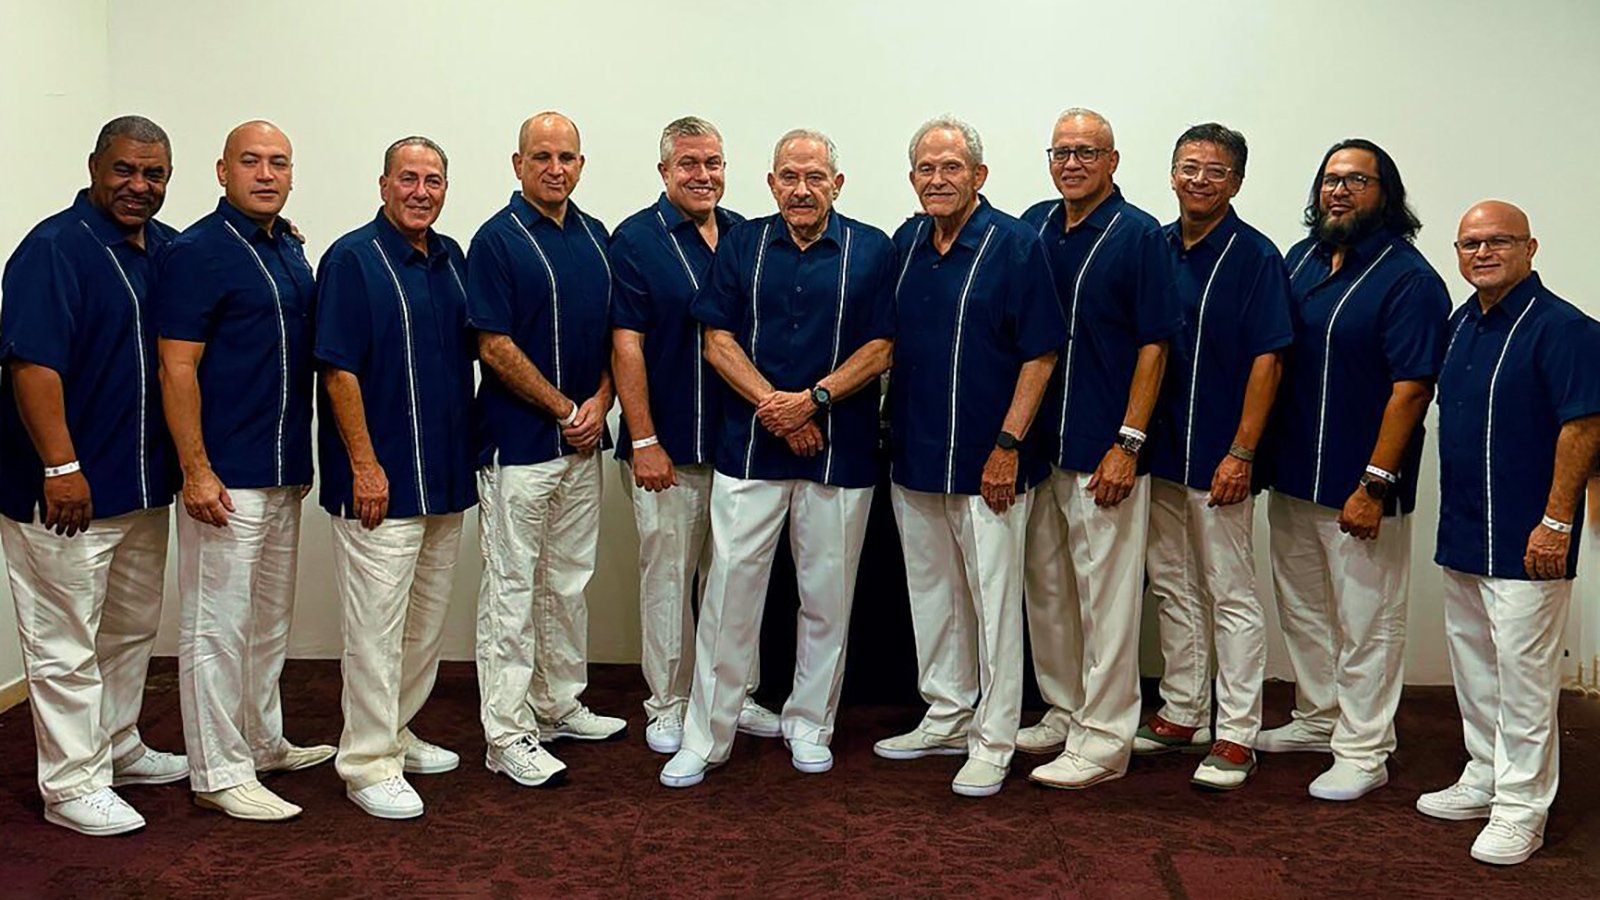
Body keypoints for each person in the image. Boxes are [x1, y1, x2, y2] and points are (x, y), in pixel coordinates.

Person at [660, 129, 895, 788]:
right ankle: (706, 737)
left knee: (826, 598)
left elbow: (882, 347)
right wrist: (777, 407)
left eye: (815, 177)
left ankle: (811, 725)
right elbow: (717, 340)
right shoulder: (742, 244)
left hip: (839, 455)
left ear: (837, 185)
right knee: (728, 596)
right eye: (789, 176)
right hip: (749, 449)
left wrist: (813, 400)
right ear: (770, 184)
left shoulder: (872, 249)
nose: (801, 189)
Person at [0, 115, 188, 835]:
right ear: (94, 167)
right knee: (64, 641)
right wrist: (61, 465)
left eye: (154, 174)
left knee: (129, 629)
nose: (139, 186)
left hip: (139, 486)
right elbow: (33, 365)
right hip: (64, 491)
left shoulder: (165, 249)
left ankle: (117, 743)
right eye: (125, 170)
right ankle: (72, 784)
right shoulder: (54, 248)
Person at [873, 117, 1063, 798]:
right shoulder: (906, 243)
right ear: (912, 178)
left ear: (978, 175)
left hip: (991, 462)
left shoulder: (1015, 245)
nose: (937, 179)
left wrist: (1008, 446)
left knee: (994, 605)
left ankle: (993, 738)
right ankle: (947, 714)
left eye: (951, 167)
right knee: (933, 596)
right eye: (926, 168)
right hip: (916, 454)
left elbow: (1041, 354)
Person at [1262, 138, 1450, 801]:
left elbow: (1412, 390)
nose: (1339, 191)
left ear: (1386, 194)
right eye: (1330, 179)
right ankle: (1319, 717)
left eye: (1356, 180)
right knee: (1304, 609)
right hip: (1293, 474)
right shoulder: (1301, 261)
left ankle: (1365, 748)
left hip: (1360, 485)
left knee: (1368, 621)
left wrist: (1375, 484)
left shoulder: (1410, 280)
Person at [155, 120, 332, 822]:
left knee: (265, 622)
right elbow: (176, 367)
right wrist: (195, 470)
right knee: (216, 628)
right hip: (224, 476)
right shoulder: (198, 251)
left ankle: (262, 741)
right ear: (222, 170)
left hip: (282, 467)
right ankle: (218, 771)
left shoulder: (287, 246)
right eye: (251, 161)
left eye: (278, 163)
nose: (265, 174)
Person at [1417, 199, 1600, 865]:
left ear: (1530, 247)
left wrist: (1556, 521)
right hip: (1466, 529)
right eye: (1470, 244)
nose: (1483, 253)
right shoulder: (1461, 323)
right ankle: (1485, 774)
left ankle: (1522, 809)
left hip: (1530, 536)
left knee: (1524, 679)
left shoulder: (1566, 329)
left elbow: (1585, 425)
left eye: (1499, 241)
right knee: (1475, 667)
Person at [1019, 108, 1183, 789]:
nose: (1072, 163)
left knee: (1107, 599)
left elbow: (1155, 344)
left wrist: (1129, 441)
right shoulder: (1035, 225)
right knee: (1049, 587)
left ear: (1113, 161)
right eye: (1061, 151)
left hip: (1103, 444)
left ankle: (1106, 738)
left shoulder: (1138, 235)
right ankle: (1065, 709)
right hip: (1039, 444)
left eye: (1087, 152)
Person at [315, 136, 478, 819]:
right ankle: (367, 762)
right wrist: (364, 464)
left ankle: (397, 732)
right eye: (408, 178)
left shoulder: (451, 258)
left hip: (444, 476)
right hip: (380, 482)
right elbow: (338, 368)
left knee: (422, 625)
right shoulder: (351, 259)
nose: (420, 191)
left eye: (433, 180)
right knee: (376, 631)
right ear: (383, 184)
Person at [610, 116, 779, 755]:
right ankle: (669, 703)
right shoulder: (637, 239)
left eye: (713, 163)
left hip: (739, 445)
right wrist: (644, 439)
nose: (702, 175)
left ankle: (733, 695)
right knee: (668, 578)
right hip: (669, 446)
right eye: (688, 164)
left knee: (734, 578)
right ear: (664, 171)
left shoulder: (745, 235)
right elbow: (626, 344)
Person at [468, 111, 623, 789]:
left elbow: (618, 336)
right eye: (542, 157)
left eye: (566, 157)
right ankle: (506, 733)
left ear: (581, 165)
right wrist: (564, 409)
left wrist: (602, 402)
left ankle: (558, 704)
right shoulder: (496, 240)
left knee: (567, 582)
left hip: (583, 442)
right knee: (511, 588)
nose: (555, 168)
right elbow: (493, 344)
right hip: (520, 445)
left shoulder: (595, 236)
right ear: (518, 164)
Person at [1135, 123, 1292, 790]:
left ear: (1237, 182)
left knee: (1230, 592)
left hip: (1221, 454)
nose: (1199, 180)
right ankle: (1182, 710)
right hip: (1158, 450)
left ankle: (1236, 732)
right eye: (1189, 167)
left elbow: (1269, 358)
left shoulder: (1256, 256)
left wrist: (1242, 451)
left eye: (1215, 170)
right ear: (1171, 174)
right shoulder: (1153, 246)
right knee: (1172, 584)